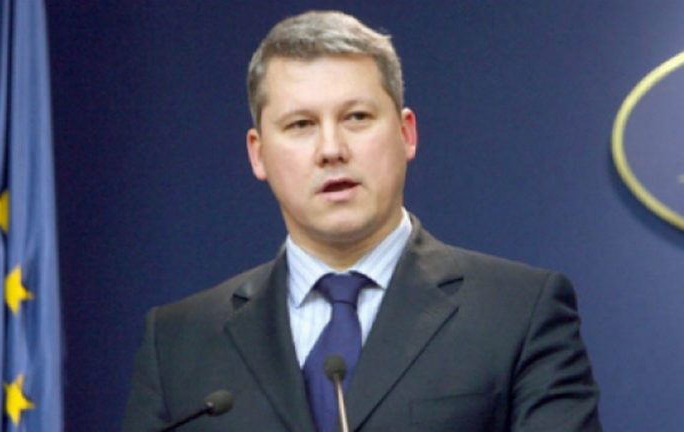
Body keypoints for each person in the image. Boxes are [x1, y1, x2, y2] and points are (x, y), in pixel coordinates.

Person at [123, 10, 602, 432]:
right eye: (300, 125)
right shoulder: (178, 341)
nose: (331, 149)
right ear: (258, 153)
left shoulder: (518, 313)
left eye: (355, 117)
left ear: (406, 133)